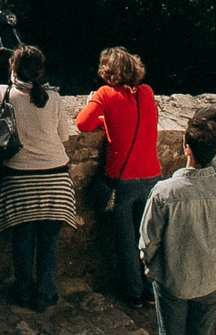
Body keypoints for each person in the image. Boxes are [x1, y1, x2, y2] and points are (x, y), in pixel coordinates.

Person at [0, 44, 77, 311]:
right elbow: (63, 136)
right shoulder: (53, 97)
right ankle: (46, 293)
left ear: (13, 67)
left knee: (23, 240)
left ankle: (24, 292)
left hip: (20, 179)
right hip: (57, 180)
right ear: (40, 70)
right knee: (49, 241)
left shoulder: (3, 94)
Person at [140, 113, 216, 335]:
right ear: (215, 152)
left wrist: (150, 265)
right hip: (212, 276)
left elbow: (149, 240)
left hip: (174, 277)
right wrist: (211, 156)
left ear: (187, 148)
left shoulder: (164, 192)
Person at [76, 47, 163, 309]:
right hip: (152, 174)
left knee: (126, 238)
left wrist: (97, 108)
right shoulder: (146, 92)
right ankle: (151, 289)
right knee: (148, 236)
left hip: (123, 179)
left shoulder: (105, 94)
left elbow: (82, 124)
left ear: (108, 72)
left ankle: (133, 292)